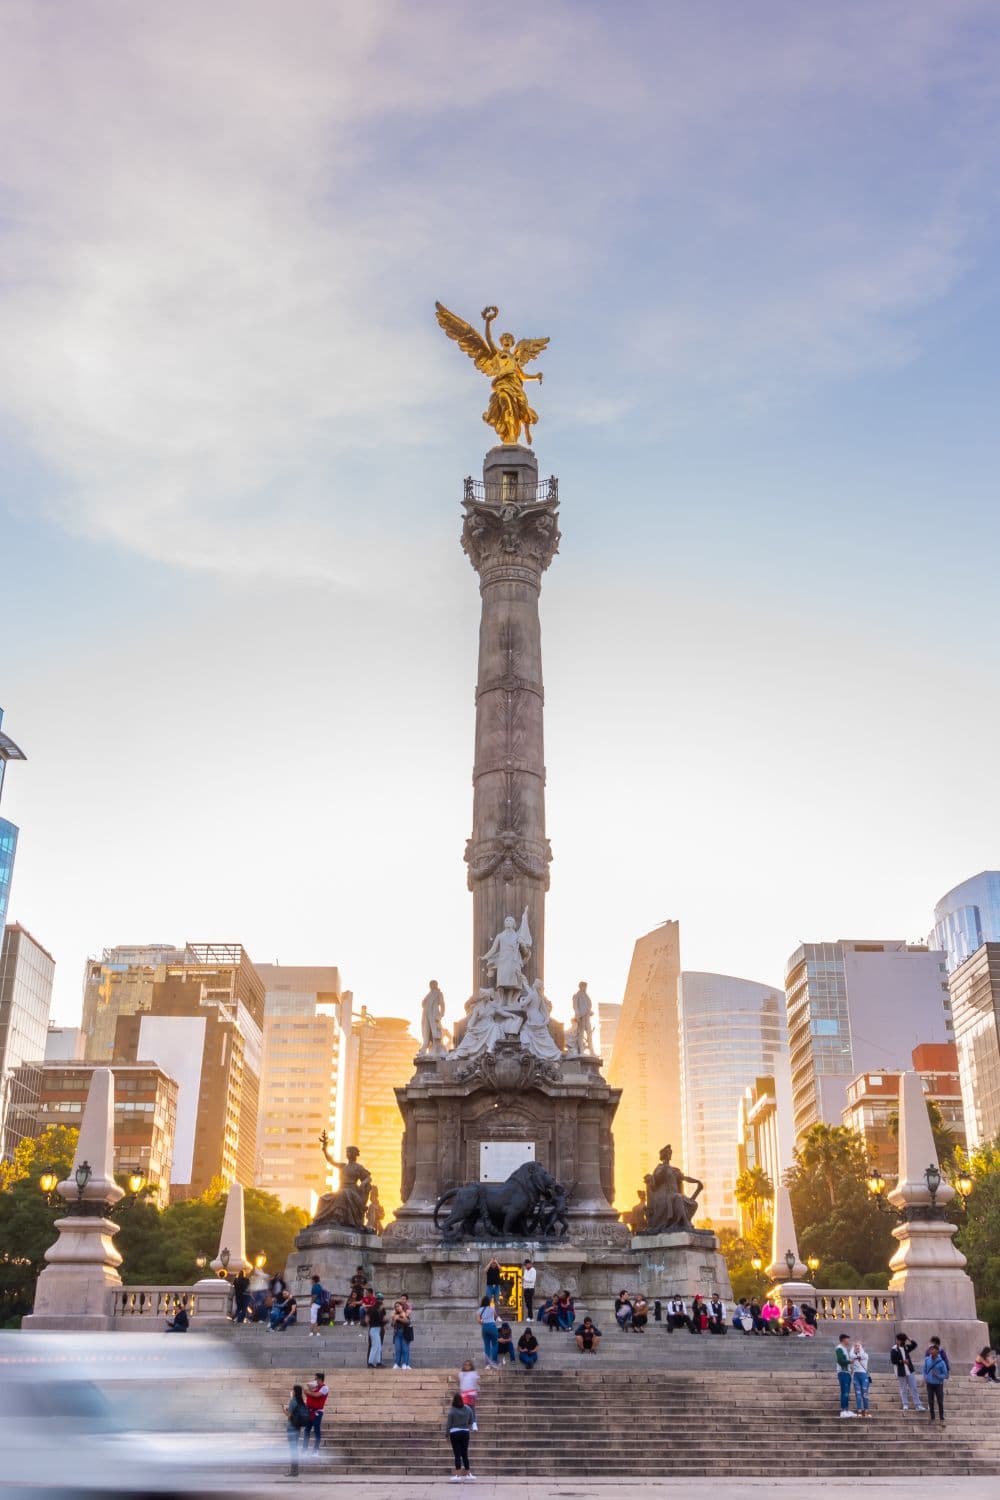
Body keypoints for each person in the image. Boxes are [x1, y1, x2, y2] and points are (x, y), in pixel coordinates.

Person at [891, 1333, 925, 1411]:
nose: (897, 1341)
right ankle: (905, 1404)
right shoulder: (894, 1349)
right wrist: (902, 1361)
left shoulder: (906, 1347)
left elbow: (915, 1345)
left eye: (898, 1339)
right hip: (901, 1372)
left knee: (914, 1388)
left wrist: (908, 1338)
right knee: (903, 1388)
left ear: (902, 1340)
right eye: (897, 1339)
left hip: (910, 1371)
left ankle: (918, 1405)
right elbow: (893, 1361)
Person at [446, 1392, 475, 1482]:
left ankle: (458, 1475)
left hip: (454, 1433)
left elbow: (448, 1424)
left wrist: (446, 1435)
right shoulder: (468, 1409)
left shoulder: (452, 1410)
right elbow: (471, 1420)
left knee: (457, 1454)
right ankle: (468, 1474)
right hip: (465, 1432)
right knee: (465, 1453)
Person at [284, 1384, 310, 1477]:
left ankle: (293, 1471)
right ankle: (295, 1471)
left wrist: (284, 1410)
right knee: (294, 1449)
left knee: (293, 1450)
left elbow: (289, 1415)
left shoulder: (293, 1401)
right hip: (297, 1428)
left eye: (293, 1390)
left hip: (291, 1428)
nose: (292, 1391)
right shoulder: (301, 1402)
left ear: (295, 1392)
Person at [303, 1372, 329, 1453]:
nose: (314, 1380)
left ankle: (315, 1451)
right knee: (306, 1430)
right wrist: (309, 1390)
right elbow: (309, 1395)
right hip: (309, 1411)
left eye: (316, 1379)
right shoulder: (314, 1388)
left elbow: (316, 1395)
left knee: (316, 1431)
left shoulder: (325, 1388)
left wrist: (308, 1391)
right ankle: (304, 1450)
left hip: (317, 1412)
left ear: (320, 1379)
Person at [924, 1341, 949, 1423]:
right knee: (930, 1401)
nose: (931, 1351)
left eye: (933, 1349)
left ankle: (942, 1418)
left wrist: (938, 1376)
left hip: (938, 1384)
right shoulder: (927, 1360)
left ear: (937, 1351)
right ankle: (932, 1417)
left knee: (940, 1401)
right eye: (930, 1349)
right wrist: (925, 1377)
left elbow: (945, 1374)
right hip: (929, 1384)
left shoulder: (942, 1362)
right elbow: (924, 1370)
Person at [836, 1334, 856, 1418]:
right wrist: (849, 1362)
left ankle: (846, 1410)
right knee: (844, 1391)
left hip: (847, 1372)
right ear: (843, 1340)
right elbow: (840, 1360)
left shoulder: (844, 1349)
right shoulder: (839, 1348)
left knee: (847, 1392)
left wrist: (850, 1368)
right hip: (843, 1372)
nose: (849, 1341)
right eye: (848, 1339)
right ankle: (843, 1410)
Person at [850, 1340, 871, 1418]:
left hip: (863, 1375)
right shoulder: (853, 1355)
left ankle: (866, 1410)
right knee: (858, 1394)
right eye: (856, 1346)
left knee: (864, 1394)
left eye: (859, 1346)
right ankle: (859, 1410)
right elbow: (851, 1355)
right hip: (856, 1375)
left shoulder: (865, 1355)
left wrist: (858, 1350)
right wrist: (853, 1348)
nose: (857, 1347)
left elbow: (860, 1355)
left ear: (862, 1347)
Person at [458, 1359, 480, 1431]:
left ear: (471, 1366)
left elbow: (477, 1382)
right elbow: (460, 1382)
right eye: (465, 1365)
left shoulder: (474, 1373)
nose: (467, 1366)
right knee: (464, 1409)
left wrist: (477, 1389)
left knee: (472, 1409)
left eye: (468, 1365)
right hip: (464, 1395)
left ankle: (474, 1424)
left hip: (471, 1394)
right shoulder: (461, 1374)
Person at [479, 1296, 499, 1367]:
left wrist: (484, 1323)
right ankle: (494, 1361)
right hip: (492, 1326)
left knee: (487, 1345)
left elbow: (479, 1321)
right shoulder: (492, 1308)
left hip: (484, 1327)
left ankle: (487, 1363)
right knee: (495, 1344)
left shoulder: (479, 1310)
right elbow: (496, 1316)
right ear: (488, 1302)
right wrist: (492, 1321)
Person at [392, 1300, 413, 1370]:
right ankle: (397, 1363)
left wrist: (398, 1318)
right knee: (398, 1349)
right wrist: (394, 1319)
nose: (397, 1308)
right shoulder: (395, 1314)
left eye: (398, 1306)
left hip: (405, 1333)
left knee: (405, 1349)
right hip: (397, 1333)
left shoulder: (405, 1313)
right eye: (396, 1307)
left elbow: (407, 1322)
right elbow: (392, 1324)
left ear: (402, 1306)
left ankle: (405, 1363)